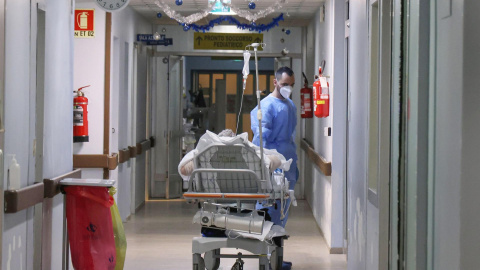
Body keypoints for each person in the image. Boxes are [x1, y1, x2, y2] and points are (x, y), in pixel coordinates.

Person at [251, 66, 297, 270]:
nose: (288, 88)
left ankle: (276, 257)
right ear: (275, 82)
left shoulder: (291, 106)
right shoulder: (265, 107)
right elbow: (260, 141)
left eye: (292, 85)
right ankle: (266, 259)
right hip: (273, 165)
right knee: (269, 214)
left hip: (289, 162)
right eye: (285, 84)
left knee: (282, 215)